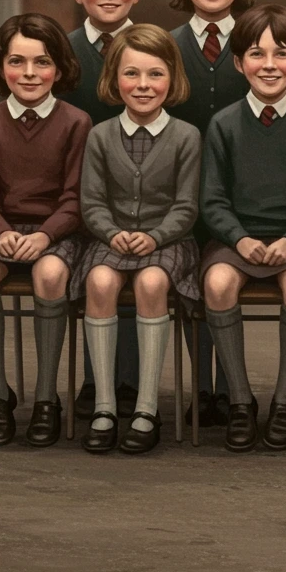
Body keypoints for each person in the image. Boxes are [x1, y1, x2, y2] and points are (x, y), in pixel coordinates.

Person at [199, 4, 286, 452]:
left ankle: (284, 400)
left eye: (282, 54)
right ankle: (240, 401)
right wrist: (239, 238)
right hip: (236, 239)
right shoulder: (223, 125)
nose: (270, 65)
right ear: (238, 63)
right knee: (217, 283)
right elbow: (213, 201)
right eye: (257, 54)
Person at [0, 13, 89, 447]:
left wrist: (45, 236)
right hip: (2, 229)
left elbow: (76, 197)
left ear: (60, 68)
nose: (29, 74)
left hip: (57, 233)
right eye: (17, 62)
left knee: (49, 275)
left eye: (42, 63)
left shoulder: (76, 123)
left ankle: (47, 398)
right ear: (1, 67)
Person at [76, 24, 201, 454]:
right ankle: (105, 406)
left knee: (151, 284)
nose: (143, 85)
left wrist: (155, 236)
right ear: (114, 79)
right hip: (108, 239)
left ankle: (147, 407)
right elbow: (91, 202)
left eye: (155, 74)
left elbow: (186, 207)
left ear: (173, 79)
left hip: (169, 241)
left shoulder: (187, 136)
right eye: (131, 74)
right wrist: (112, 233)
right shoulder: (100, 135)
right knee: (100, 282)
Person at [164, 0, 256, 428]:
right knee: (190, 286)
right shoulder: (168, 47)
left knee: (226, 283)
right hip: (180, 194)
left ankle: (233, 385)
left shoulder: (261, 45)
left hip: (245, 199)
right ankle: (202, 387)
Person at [61, 0, 144, 422]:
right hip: (81, 199)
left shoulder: (152, 49)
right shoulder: (64, 54)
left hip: (145, 197)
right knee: (99, 276)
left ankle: (131, 381)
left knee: (140, 274)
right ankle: (97, 381)